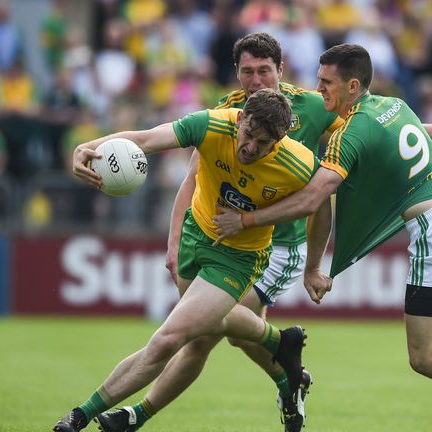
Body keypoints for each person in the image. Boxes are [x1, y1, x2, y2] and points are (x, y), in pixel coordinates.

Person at [98, 32, 432, 432]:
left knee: (205, 328)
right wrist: (174, 239)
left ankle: (141, 413)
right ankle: (288, 377)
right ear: (237, 74)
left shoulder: (313, 107)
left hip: (281, 247)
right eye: (247, 72)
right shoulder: (228, 114)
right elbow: (193, 179)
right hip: (229, 243)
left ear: (280, 70)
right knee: (211, 334)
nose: (256, 80)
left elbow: (377, 133)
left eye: (265, 70)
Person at [213, 44, 432, 432]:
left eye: (326, 82)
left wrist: (246, 220)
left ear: (353, 85)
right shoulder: (393, 106)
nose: (319, 89)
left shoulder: (350, 133)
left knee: (426, 357)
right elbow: (393, 141)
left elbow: (315, 198)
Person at [53, 88, 314, 432]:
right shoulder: (211, 125)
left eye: (263, 143)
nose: (250, 147)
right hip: (196, 236)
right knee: (204, 333)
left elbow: (316, 203)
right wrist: (87, 148)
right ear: (240, 119)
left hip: (239, 258)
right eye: (248, 134)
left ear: (279, 141)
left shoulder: (299, 164)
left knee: (169, 339)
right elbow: (144, 138)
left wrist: (255, 225)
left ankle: (79, 416)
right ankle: (280, 343)